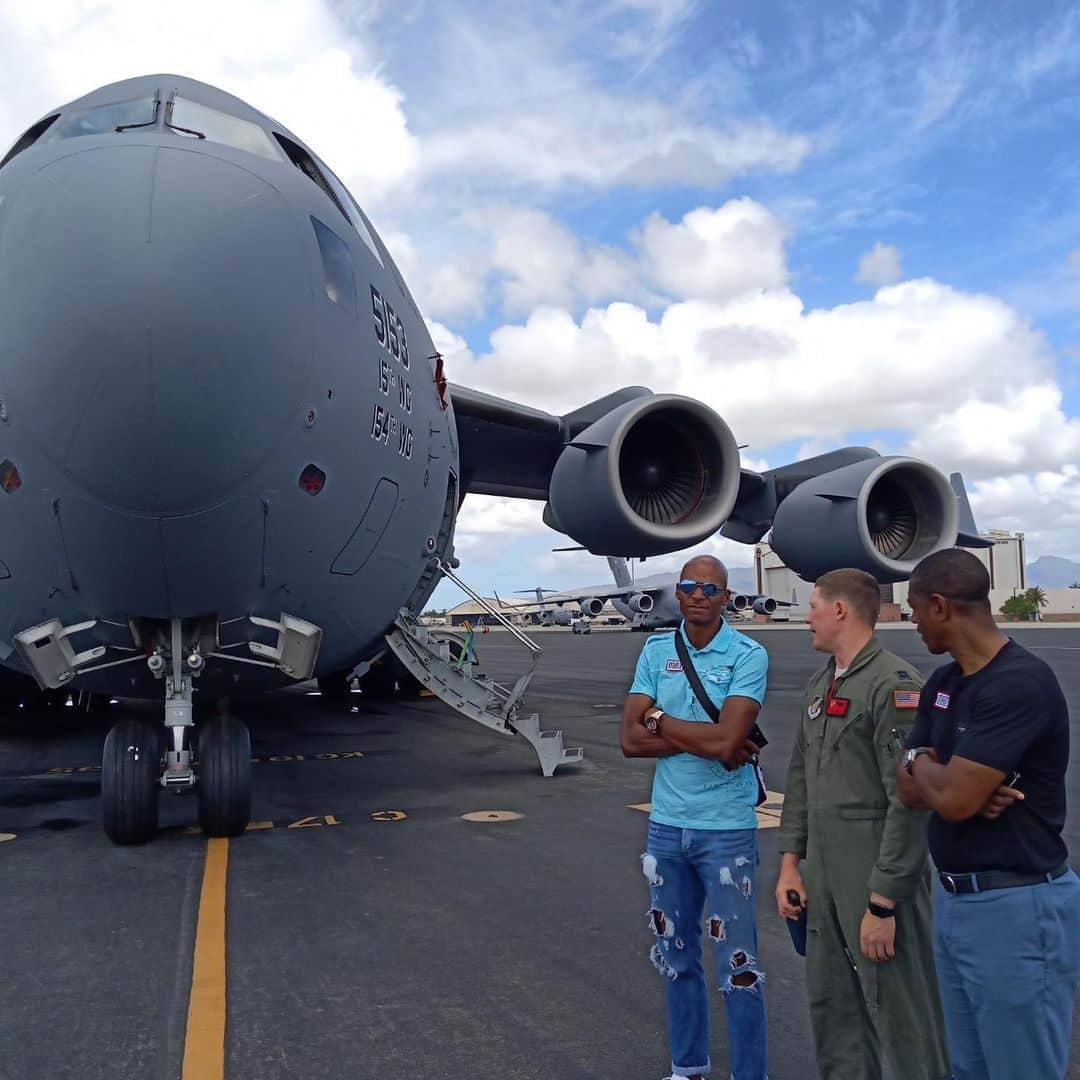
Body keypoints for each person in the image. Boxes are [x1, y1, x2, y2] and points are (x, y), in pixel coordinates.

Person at [897, 548, 1080, 1080]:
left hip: (1016, 906)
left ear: (939, 606)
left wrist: (932, 771)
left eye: (913, 609)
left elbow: (952, 800)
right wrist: (934, 769)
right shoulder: (944, 684)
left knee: (1021, 1069)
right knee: (968, 1068)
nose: (911, 622)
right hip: (956, 901)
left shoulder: (1019, 683)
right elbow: (908, 786)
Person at [775, 569, 949, 1079]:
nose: (806, 617)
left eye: (812, 605)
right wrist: (790, 867)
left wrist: (883, 902)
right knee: (835, 1015)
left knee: (905, 1016)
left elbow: (910, 803)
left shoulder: (893, 687)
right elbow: (800, 779)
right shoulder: (820, 684)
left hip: (875, 882)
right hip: (826, 882)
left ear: (840, 611)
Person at [621, 554, 769, 1080]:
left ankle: (751, 1075)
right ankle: (688, 1068)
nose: (699, 595)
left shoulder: (750, 655)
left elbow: (730, 739)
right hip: (666, 827)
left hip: (725, 831)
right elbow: (630, 741)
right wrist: (701, 739)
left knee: (739, 966)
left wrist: (660, 718)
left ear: (726, 597)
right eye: (689, 586)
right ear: (678, 594)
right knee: (676, 957)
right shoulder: (656, 649)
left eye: (710, 588)